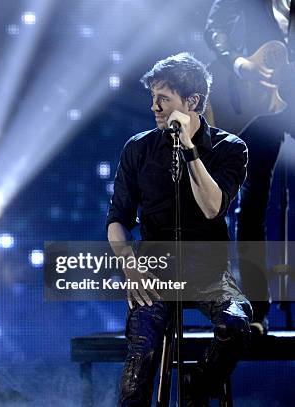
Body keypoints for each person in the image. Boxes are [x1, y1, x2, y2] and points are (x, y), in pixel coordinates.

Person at [106, 53, 251, 406]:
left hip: (209, 272)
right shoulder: (138, 148)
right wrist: (130, 266)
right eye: (152, 97)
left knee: (235, 322)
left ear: (192, 102)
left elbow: (213, 207)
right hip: (154, 271)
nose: (154, 106)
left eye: (164, 98)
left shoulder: (231, 149)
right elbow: (117, 220)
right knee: (139, 361)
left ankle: (198, 388)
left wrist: (188, 148)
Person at [205, 0, 295, 336]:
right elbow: (215, 26)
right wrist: (240, 64)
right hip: (255, 99)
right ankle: (256, 310)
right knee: (253, 204)